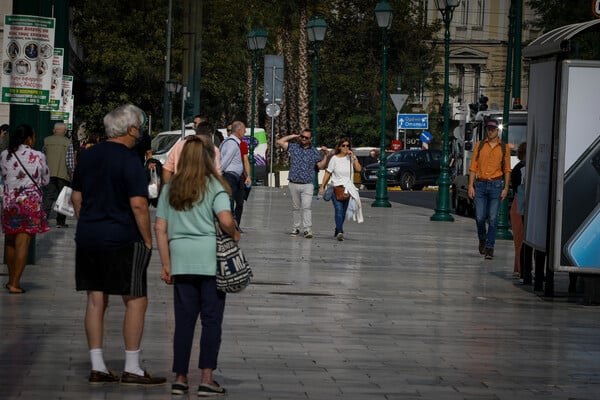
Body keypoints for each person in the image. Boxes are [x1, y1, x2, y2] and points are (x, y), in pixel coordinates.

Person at [71, 104, 166, 386]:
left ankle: (98, 365)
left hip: (88, 236)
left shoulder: (87, 156)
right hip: (123, 238)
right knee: (135, 298)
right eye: (139, 126)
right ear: (130, 128)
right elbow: (138, 205)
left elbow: (76, 198)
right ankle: (132, 366)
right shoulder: (129, 160)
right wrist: (148, 240)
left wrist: (89, 222)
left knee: (95, 299)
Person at [155, 135, 239, 396]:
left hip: (181, 260)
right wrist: (234, 233)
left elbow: (160, 227)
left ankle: (180, 377)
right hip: (211, 261)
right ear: (207, 157)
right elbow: (225, 219)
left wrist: (166, 263)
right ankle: (206, 378)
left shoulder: (171, 188)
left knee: (184, 321)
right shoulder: (215, 186)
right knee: (212, 321)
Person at [1, 124, 50, 294]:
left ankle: (10, 279)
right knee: (23, 242)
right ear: (29, 138)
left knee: (10, 241)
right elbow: (45, 179)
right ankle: (15, 283)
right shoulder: (38, 156)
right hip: (30, 204)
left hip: (9, 202)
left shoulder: (4, 155)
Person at [467, 118, 511, 260]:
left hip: (496, 185)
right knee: (479, 217)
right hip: (480, 185)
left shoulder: (504, 148)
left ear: (498, 131)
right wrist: (470, 186)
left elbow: (507, 170)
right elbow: (473, 167)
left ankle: (490, 248)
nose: (490, 131)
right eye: (488, 129)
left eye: (493, 129)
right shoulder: (480, 146)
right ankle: (482, 239)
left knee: (493, 219)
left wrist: (505, 188)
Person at [277, 129, 328, 238]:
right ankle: (295, 228)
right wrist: (294, 135)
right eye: (302, 137)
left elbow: (320, 166)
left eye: (306, 137)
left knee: (306, 207)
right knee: (296, 207)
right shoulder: (294, 147)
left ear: (310, 139)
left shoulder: (314, 151)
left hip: (307, 184)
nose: (303, 139)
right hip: (294, 182)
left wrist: (326, 156)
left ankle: (307, 229)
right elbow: (280, 142)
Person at [318, 137, 363, 241]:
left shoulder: (351, 158)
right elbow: (328, 173)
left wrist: (354, 157)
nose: (346, 147)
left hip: (348, 189)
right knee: (338, 210)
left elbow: (359, 169)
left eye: (347, 145)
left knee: (343, 212)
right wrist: (322, 187)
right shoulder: (334, 159)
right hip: (336, 188)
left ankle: (338, 227)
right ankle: (340, 231)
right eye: (343, 145)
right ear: (339, 147)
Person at [42, 122, 75, 228]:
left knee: (49, 196)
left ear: (54, 130)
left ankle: (43, 219)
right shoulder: (68, 142)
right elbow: (69, 161)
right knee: (64, 197)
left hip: (49, 173)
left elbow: (43, 156)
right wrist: (72, 173)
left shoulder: (46, 140)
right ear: (65, 131)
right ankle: (60, 222)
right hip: (62, 173)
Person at [219, 121, 250, 219]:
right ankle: (230, 225)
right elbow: (224, 161)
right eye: (244, 130)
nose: (245, 133)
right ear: (239, 130)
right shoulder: (232, 144)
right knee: (230, 202)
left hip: (233, 177)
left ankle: (232, 225)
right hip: (229, 177)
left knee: (235, 201)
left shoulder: (229, 142)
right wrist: (218, 174)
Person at [510, 142, 526, 277]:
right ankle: (520, 268)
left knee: (520, 240)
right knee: (520, 239)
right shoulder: (519, 169)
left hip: (518, 204)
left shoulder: (518, 168)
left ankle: (520, 267)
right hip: (519, 204)